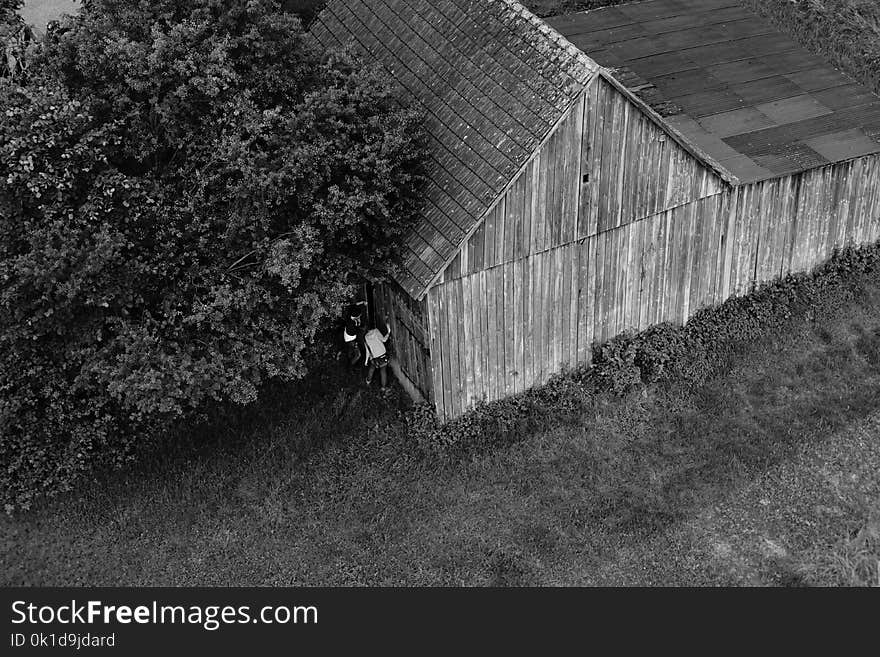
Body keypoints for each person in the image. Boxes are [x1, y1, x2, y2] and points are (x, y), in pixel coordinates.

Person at [363, 322, 391, 392]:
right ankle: (383, 387)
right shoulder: (376, 331)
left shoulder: (365, 337)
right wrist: (388, 331)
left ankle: (368, 382)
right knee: (383, 371)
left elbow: (367, 350)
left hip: (374, 357)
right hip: (382, 354)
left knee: (372, 368)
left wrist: (366, 361)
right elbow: (384, 340)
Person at [342, 301, 367, 367]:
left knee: (350, 352)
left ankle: (348, 362)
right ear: (356, 317)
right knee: (358, 355)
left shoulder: (349, 316)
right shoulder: (352, 325)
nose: (360, 316)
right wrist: (359, 324)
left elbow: (353, 305)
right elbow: (359, 331)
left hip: (348, 338)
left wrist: (362, 302)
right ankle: (350, 367)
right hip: (351, 341)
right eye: (359, 316)